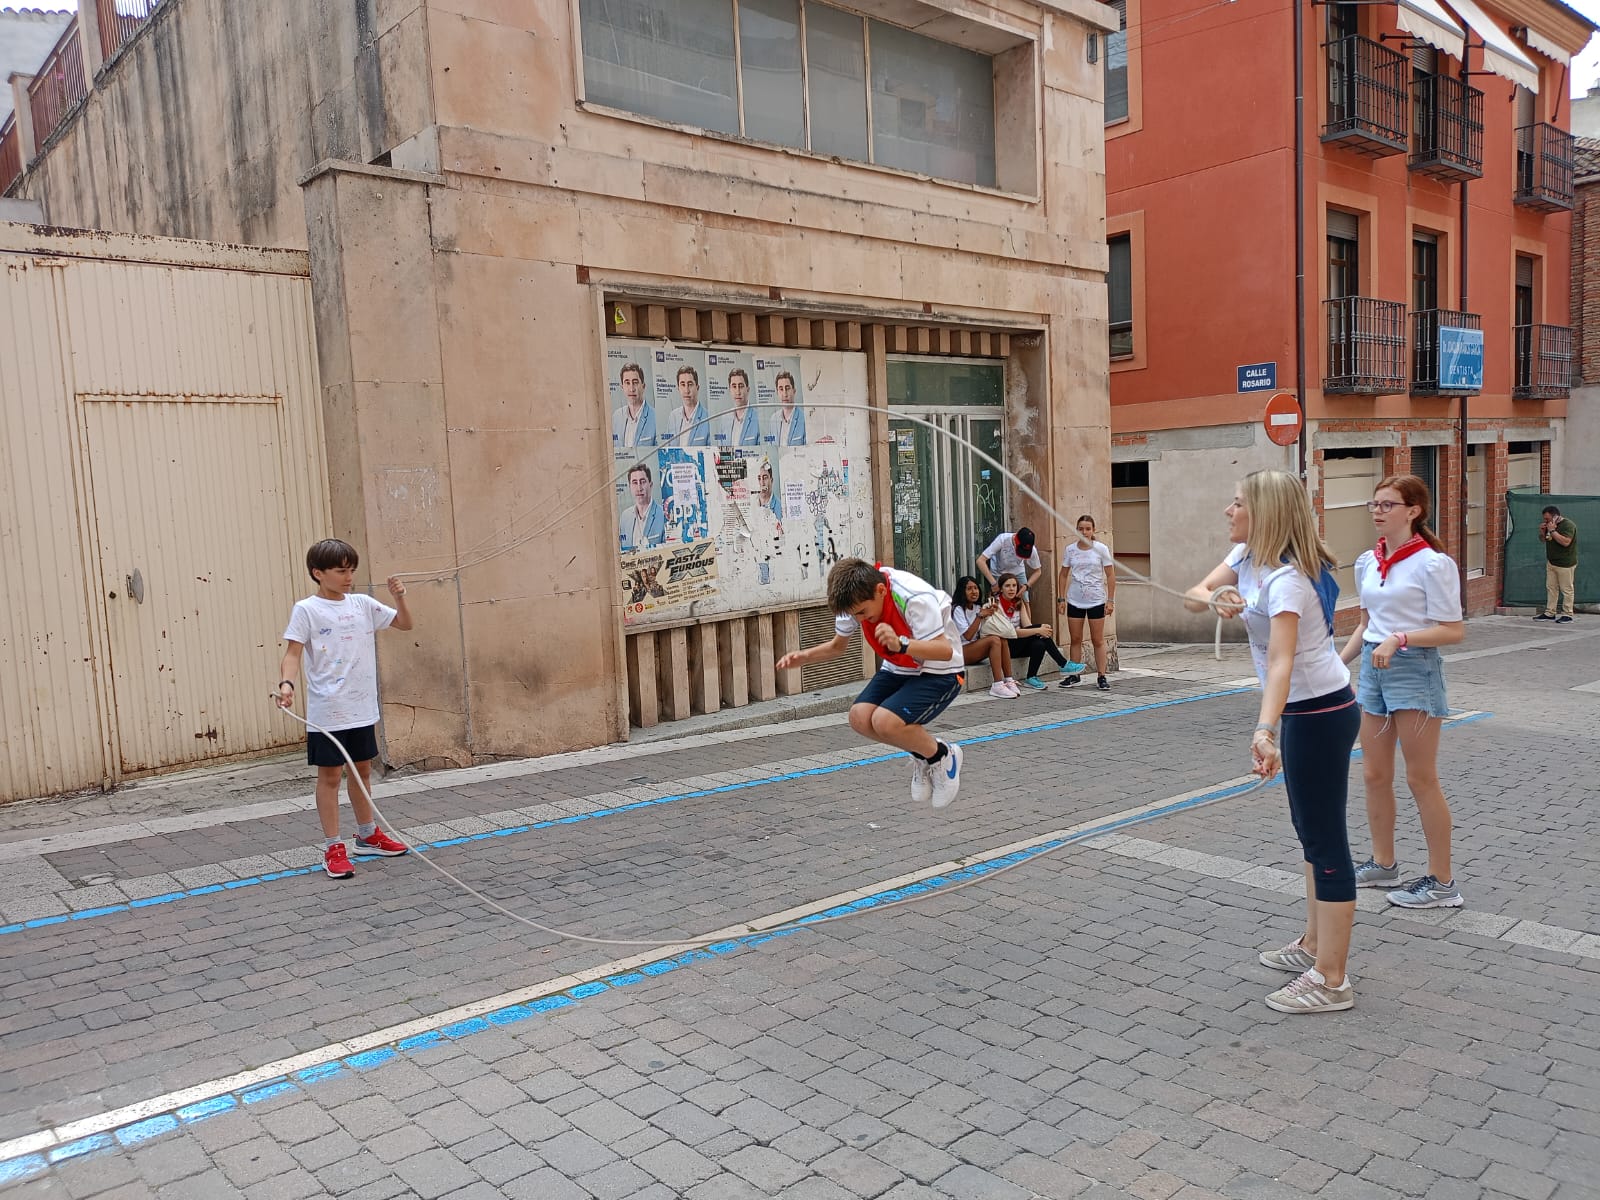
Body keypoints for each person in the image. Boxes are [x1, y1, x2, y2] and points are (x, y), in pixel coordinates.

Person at [1184, 470, 1360, 1014]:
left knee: (1326, 840)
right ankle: (1313, 945)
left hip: (1321, 711)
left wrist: (1265, 730)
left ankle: (1332, 980)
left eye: (1237, 504)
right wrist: (1217, 598)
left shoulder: (1287, 580)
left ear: (1264, 513)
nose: (1228, 512)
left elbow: (1282, 661)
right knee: (1309, 833)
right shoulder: (1246, 560)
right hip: (1308, 712)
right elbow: (1193, 596)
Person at [1338, 474, 1466, 910]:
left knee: (1420, 777)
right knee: (1374, 774)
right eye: (1374, 504)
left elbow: (1452, 630)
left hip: (1414, 669)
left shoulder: (1432, 563)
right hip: (1374, 667)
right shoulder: (1367, 562)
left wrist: (1402, 639)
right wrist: (1338, 665)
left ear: (1413, 511)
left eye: (1387, 505)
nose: (1377, 511)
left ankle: (1443, 882)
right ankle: (1383, 863)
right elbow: (1365, 623)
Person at [276, 539, 415, 880]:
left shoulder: (363, 604)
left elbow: (405, 624)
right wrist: (287, 685)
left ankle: (367, 835)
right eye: (341, 571)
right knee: (330, 776)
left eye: (351, 570)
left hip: (361, 707)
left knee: (363, 771)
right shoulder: (307, 610)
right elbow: (293, 653)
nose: (348, 576)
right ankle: (333, 845)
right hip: (329, 710)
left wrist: (399, 596)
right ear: (318, 573)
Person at [776, 559, 964, 807]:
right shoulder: (856, 601)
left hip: (941, 671)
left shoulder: (913, 596)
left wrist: (902, 644)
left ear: (881, 591)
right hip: (899, 667)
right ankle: (923, 752)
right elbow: (837, 646)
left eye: (862, 613)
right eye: (854, 615)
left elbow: (944, 650)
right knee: (859, 717)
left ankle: (942, 758)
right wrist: (804, 657)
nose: (859, 619)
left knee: (885, 721)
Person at [1056, 514, 1116, 691]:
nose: (1084, 532)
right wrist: (1061, 598)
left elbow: (1111, 575)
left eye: (1088, 528)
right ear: (1077, 529)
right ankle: (1074, 675)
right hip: (1075, 600)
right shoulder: (1070, 550)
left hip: (1096, 599)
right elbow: (1063, 574)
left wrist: (1110, 600)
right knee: (1075, 638)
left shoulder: (1101, 549)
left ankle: (1102, 676)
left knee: (1097, 639)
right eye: (1081, 528)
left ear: (1093, 530)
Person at [995, 573, 1084, 689]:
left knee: (1040, 643)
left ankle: (1031, 677)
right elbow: (1009, 632)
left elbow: (1027, 625)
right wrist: (1038, 629)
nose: (1011, 589)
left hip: (1019, 642)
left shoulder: (1018, 602)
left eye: (1014, 586)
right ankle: (1063, 664)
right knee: (1040, 630)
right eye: (1007, 586)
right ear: (1001, 588)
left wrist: (1039, 631)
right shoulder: (996, 605)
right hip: (1006, 646)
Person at [951, 574, 1019, 698]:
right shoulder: (958, 609)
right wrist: (980, 616)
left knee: (1001, 639)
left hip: (975, 649)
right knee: (994, 640)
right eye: (969, 589)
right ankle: (997, 685)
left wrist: (992, 612)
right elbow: (968, 636)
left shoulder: (979, 607)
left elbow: (986, 630)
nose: (974, 592)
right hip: (960, 652)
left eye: (976, 588)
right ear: (962, 591)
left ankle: (1009, 680)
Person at [1536, 504, 1578, 623]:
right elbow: (1544, 540)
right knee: (1551, 588)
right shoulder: (1549, 527)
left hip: (1565, 564)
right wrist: (1543, 531)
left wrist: (1552, 530)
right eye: (1544, 519)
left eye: (1547, 519)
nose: (1545, 521)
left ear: (1555, 517)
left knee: (1567, 589)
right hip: (1552, 562)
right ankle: (1550, 612)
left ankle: (1568, 614)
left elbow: (1565, 542)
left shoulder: (1568, 525)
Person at [978, 527, 1043, 597]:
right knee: (999, 599)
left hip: (1018, 572)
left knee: (1024, 599)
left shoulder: (1032, 549)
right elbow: (980, 561)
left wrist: (1026, 586)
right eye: (1020, 550)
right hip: (999, 571)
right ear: (1015, 540)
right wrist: (994, 583)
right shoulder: (1002, 539)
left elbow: (1038, 571)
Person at [620, 463, 666, 551]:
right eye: (634, 483)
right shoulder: (625, 517)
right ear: (630, 487)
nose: (639, 488)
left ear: (651, 485)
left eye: (643, 481)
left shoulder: (663, 514)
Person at [611, 361, 657, 449]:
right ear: (622, 387)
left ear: (643, 386)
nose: (631, 388)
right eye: (627, 383)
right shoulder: (616, 417)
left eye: (635, 382)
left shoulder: (655, 417)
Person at [663, 365, 711, 447]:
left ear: (697, 387)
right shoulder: (673, 416)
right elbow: (667, 449)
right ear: (678, 388)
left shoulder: (708, 418)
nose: (686, 390)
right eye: (682, 384)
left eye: (690, 384)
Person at [718, 368, 763, 447]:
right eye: (734, 386)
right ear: (730, 390)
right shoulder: (724, 419)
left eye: (741, 386)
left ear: (748, 389)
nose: (737, 392)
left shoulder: (759, 419)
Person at [773, 371, 807, 445]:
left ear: (794, 391)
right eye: (781, 389)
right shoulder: (773, 419)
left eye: (787, 388)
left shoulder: (804, 418)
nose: (785, 394)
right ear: (777, 392)